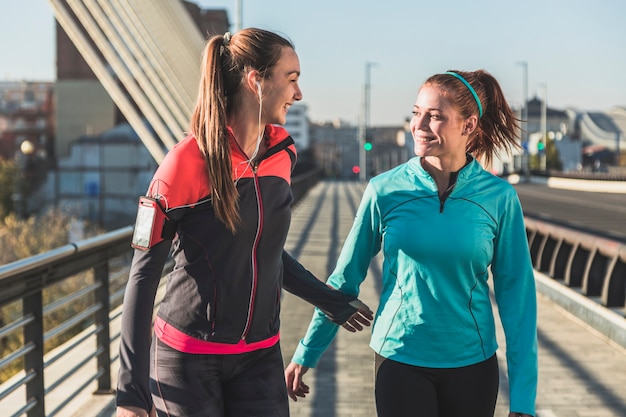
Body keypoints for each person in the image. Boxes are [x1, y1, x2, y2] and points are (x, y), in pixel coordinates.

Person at [116, 28, 372, 417]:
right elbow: (142, 276)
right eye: (291, 79)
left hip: (260, 355)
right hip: (187, 357)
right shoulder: (185, 162)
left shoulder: (283, 154)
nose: (299, 94)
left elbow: (262, 251)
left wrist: (330, 301)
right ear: (257, 81)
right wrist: (132, 395)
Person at [285, 69, 538, 417]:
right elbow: (345, 278)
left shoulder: (499, 198)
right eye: (416, 113)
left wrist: (523, 399)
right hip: (399, 358)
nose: (419, 125)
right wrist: (307, 351)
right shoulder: (385, 190)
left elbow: (517, 300)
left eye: (434, 116)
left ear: (468, 125)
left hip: (472, 363)